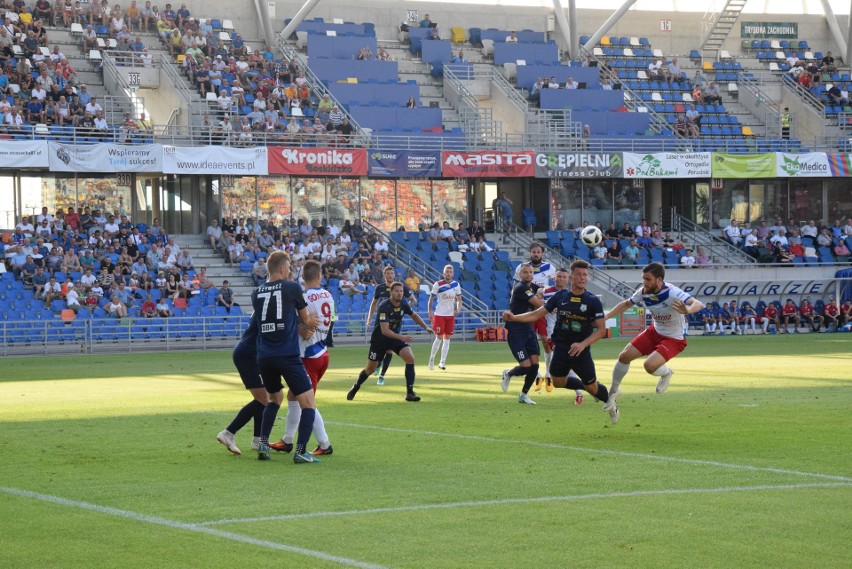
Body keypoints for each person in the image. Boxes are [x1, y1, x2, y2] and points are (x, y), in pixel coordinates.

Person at [603, 262, 705, 423]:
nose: (644, 282)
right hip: (654, 331)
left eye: (648, 279)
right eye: (643, 278)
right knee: (624, 356)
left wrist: (688, 310)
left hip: (673, 338)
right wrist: (607, 317)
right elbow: (625, 304)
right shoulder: (644, 291)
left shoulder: (672, 292)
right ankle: (613, 393)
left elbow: (697, 303)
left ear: (659, 280)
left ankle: (667, 373)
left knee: (649, 366)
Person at [503, 261, 610, 403]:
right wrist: (515, 317)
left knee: (588, 384)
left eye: (585, 275)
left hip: (579, 346)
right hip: (557, 340)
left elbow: (601, 329)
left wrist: (585, 340)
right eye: (578, 275)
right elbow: (537, 312)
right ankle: (590, 389)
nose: (582, 278)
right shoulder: (554, 295)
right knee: (556, 379)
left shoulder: (591, 300)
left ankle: (601, 396)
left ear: (567, 278)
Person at [252, 251, 322, 463]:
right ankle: (301, 451)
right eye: (289, 266)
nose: (291, 270)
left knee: (275, 399)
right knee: (308, 403)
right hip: (288, 354)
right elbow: (305, 319)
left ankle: (263, 444)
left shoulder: (257, 292)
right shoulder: (291, 287)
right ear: (282, 268)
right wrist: (312, 321)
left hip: (264, 355)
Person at [269, 260, 334, 456]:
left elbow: (305, 330)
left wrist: (299, 326)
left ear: (302, 277)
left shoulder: (304, 297)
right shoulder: (328, 295)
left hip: (308, 355)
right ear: (320, 276)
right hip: (322, 352)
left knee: (307, 401)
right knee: (294, 396)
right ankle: (287, 440)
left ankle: (324, 444)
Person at [347, 282, 433, 402]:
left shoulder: (403, 303)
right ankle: (356, 386)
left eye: (401, 291)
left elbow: (414, 315)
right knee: (370, 369)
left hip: (394, 339)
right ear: (391, 293)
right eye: (397, 291)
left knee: (410, 358)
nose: (400, 293)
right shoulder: (384, 306)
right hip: (380, 341)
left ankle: (410, 393)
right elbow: (385, 331)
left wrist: (426, 327)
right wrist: (401, 337)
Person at [513, 242, 557, 388]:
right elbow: (515, 288)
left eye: (538, 252)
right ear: (530, 253)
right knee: (529, 341)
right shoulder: (522, 268)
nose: (536, 254)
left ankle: (548, 374)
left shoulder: (549, 268)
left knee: (545, 340)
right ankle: (536, 374)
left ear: (542, 254)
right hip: (527, 310)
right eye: (534, 252)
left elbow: (553, 287)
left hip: (542, 310)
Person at [500, 263, 545, 404]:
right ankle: (509, 373)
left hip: (529, 330)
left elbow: (545, 291)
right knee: (526, 367)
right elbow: (537, 303)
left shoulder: (532, 287)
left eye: (531, 272)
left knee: (535, 366)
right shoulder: (521, 288)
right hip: (516, 331)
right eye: (525, 272)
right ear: (520, 274)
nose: (528, 274)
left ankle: (523, 395)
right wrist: (554, 303)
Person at [366, 265, 417, 385]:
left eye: (392, 273)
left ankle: (382, 376)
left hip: (394, 324)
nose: (390, 275)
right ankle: (378, 364)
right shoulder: (380, 288)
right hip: (381, 323)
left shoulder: (400, 287)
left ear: (394, 275)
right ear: (384, 276)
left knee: (389, 350)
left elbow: (413, 300)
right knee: (381, 347)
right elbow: (373, 304)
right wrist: (369, 319)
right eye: (388, 273)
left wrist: (404, 308)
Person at [427, 264, 462, 371]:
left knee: (447, 339)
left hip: (450, 316)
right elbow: (431, 299)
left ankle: (442, 362)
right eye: (447, 271)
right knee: (439, 338)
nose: (449, 273)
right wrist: (430, 311)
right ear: (443, 273)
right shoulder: (438, 284)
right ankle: (431, 359)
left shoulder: (456, 284)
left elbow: (459, 299)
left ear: (453, 273)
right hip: (439, 315)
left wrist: (458, 309)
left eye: (450, 272)